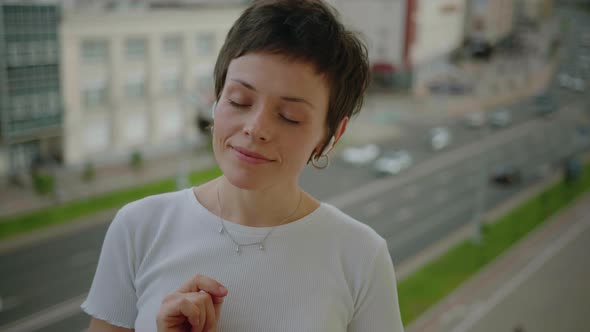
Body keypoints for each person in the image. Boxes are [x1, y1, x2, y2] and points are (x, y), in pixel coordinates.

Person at [82, 0, 404, 331]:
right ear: (218, 98)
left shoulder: (361, 257)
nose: (255, 127)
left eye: (289, 117)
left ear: (332, 134)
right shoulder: (139, 227)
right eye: (239, 100)